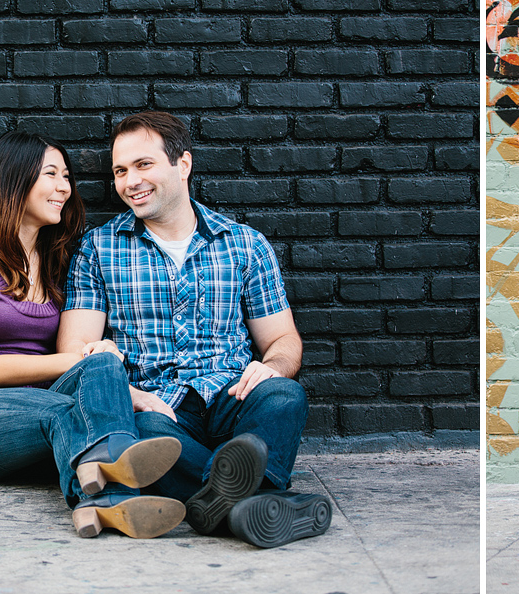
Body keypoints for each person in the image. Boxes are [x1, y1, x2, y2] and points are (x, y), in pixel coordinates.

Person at [58, 111, 332, 549]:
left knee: (285, 396)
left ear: (182, 164)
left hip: (233, 396)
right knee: (144, 442)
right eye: (120, 171)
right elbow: (75, 348)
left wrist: (274, 367)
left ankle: (217, 501)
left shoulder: (245, 244)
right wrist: (130, 397)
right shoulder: (98, 248)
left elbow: (283, 341)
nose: (130, 182)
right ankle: (256, 504)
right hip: (157, 405)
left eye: (143, 165)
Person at [0, 131, 189, 539]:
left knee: (103, 359)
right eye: (51, 174)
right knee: (64, 410)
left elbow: (84, 362)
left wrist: (111, 373)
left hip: (44, 408)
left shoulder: (57, 264)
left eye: (66, 176)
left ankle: (103, 504)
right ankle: (122, 477)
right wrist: (80, 363)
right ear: (14, 182)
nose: (64, 188)